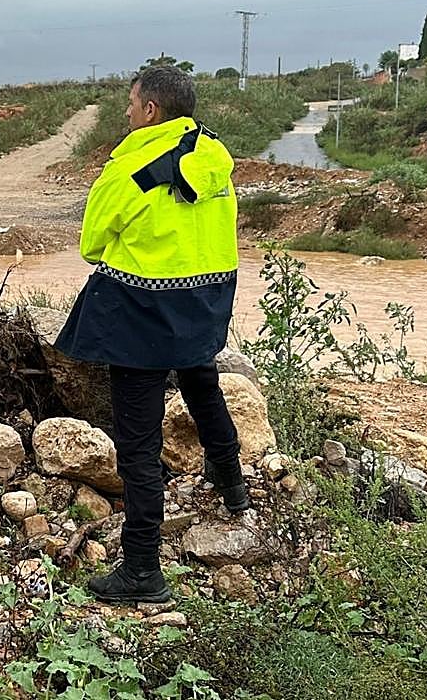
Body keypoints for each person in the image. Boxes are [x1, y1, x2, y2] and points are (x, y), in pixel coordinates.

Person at [55, 65, 251, 604]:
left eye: (131, 102)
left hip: (142, 311)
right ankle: (232, 485)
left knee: (138, 444)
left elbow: (92, 244)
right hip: (205, 302)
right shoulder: (213, 157)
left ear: (150, 111)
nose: (125, 111)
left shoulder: (126, 170)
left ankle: (142, 568)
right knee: (201, 383)